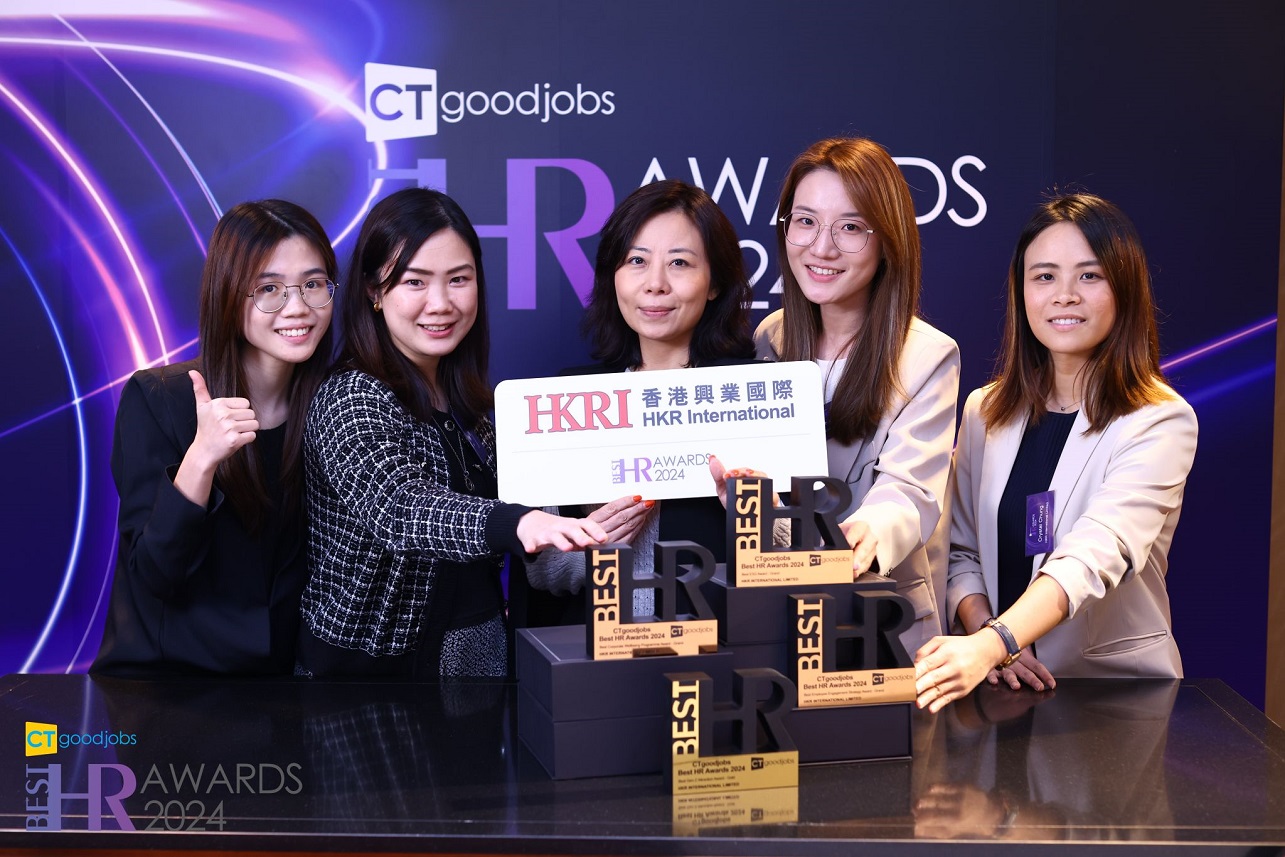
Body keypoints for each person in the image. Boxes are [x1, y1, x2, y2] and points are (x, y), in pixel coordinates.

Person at [297, 187, 606, 678]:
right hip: (368, 679)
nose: (440, 303)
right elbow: (399, 507)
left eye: (458, 279)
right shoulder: (351, 395)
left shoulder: (472, 404)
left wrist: (586, 526)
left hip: (476, 662)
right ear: (375, 292)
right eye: (414, 282)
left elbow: (524, 514)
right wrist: (517, 523)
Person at [914, 193, 1198, 713]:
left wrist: (995, 640)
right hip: (1000, 685)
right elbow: (962, 550)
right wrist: (990, 636)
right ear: (1021, 292)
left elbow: (1094, 554)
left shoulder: (1160, 420)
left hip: (1110, 696)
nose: (1064, 295)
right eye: (1044, 276)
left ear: (1125, 288)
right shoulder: (985, 410)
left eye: (1089, 276)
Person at [93, 199, 337, 675]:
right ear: (228, 294)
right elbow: (154, 576)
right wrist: (201, 458)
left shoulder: (333, 406)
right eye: (269, 288)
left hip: (283, 686)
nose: (297, 308)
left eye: (312, 284)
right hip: (169, 683)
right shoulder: (158, 398)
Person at [515, 178, 758, 626]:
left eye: (680, 263)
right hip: (596, 655)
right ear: (614, 276)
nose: (655, 284)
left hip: (720, 651)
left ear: (714, 284)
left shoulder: (751, 398)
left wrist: (755, 513)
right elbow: (543, 572)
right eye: (637, 261)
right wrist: (595, 546)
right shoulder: (566, 400)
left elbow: (797, 554)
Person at [754, 137, 960, 655]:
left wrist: (866, 533)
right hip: (778, 616)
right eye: (805, 221)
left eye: (850, 227)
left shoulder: (927, 355)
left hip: (879, 619)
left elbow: (910, 490)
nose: (821, 248)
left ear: (887, 240)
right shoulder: (770, 338)